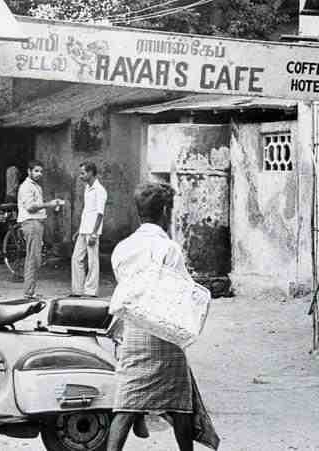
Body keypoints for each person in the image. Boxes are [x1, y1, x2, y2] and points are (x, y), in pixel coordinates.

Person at [108, 181, 219, 451]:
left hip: (134, 332)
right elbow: (179, 292)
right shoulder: (168, 248)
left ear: (139, 211)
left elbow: (126, 290)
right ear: (166, 211)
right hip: (165, 332)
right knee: (180, 403)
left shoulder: (122, 248)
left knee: (126, 404)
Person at [16, 159, 63, 298]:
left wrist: (51, 205)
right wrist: (49, 204)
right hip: (31, 223)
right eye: (36, 171)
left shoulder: (36, 186)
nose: (39, 174)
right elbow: (30, 207)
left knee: (35, 257)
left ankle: (30, 291)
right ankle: (28, 292)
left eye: (41, 171)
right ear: (29, 171)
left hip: (37, 223)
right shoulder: (26, 187)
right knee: (33, 258)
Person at [71, 162, 107, 297]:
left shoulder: (100, 190)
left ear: (91, 173)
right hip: (83, 229)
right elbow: (86, 211)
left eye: (83, 173)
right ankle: (77, 290)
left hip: (92, 231)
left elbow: (100, 213)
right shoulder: (87, 188)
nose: (80, 176)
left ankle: (91, 291)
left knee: (92, 261)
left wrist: (94, 233)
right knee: (76, 258)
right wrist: (79, 229)